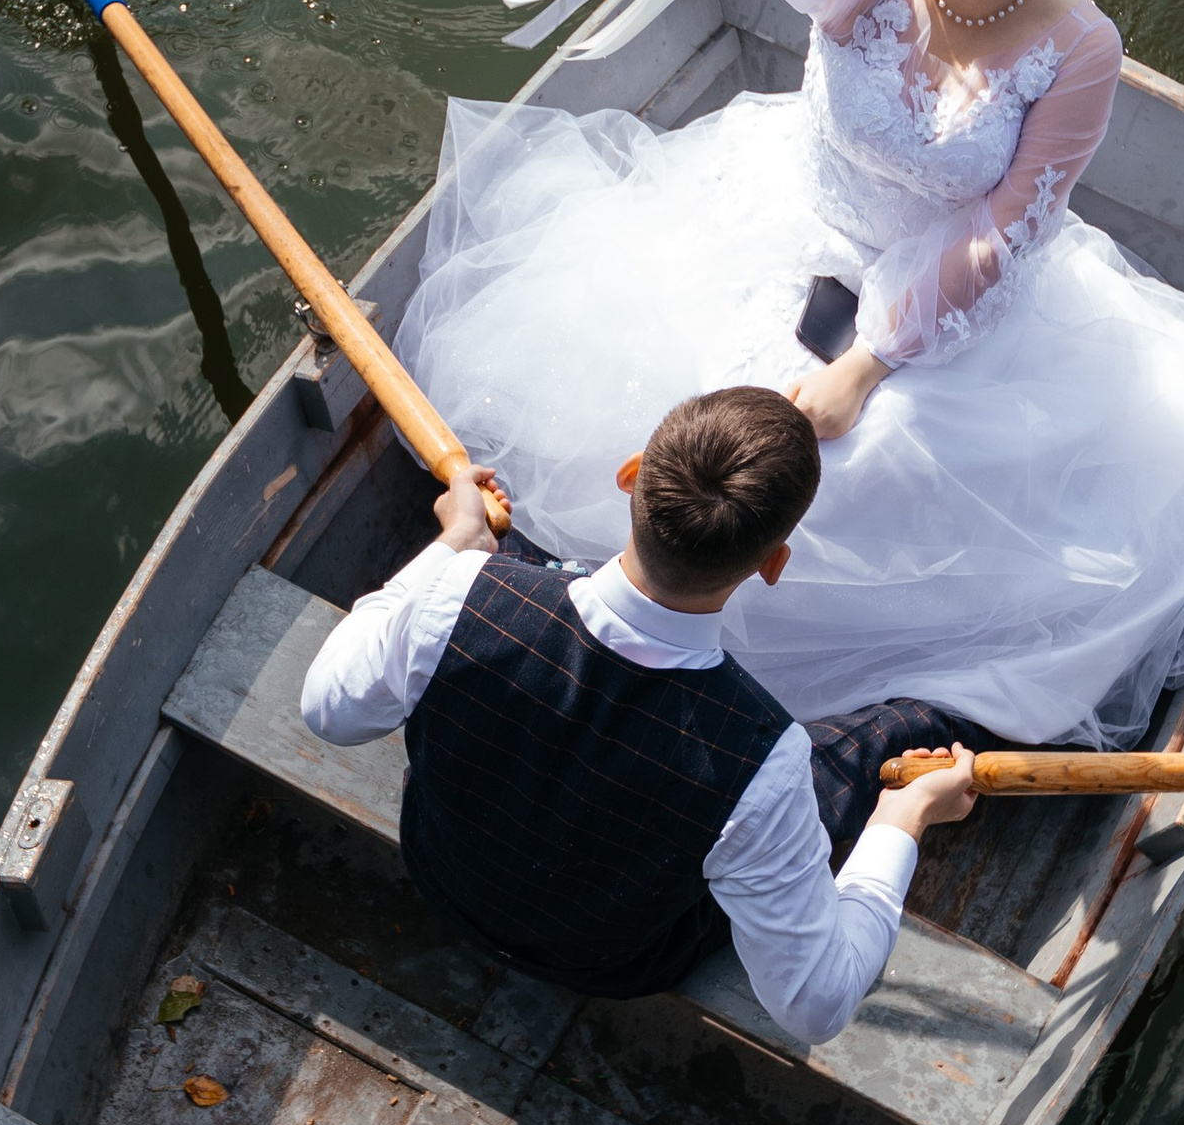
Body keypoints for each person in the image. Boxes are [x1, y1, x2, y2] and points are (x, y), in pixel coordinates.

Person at [391, 0, 1184, 744]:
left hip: (947, 291)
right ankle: (633, 610)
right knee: (678, 414)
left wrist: (866, 366)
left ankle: (717, 665)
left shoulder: (1079, 45)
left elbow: (1006, 228)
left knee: (855, 463)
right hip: (782, 224)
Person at [298, 384, 979, 1040]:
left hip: (442, 875)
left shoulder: (457, 592)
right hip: (612, 958)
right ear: (773, 564)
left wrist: (452, 548)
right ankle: (928, 729)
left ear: (630, 478)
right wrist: (902, 817)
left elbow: (330, 711)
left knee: (527, 565)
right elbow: (815, 1005)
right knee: (898, 731)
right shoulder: (766, 762)